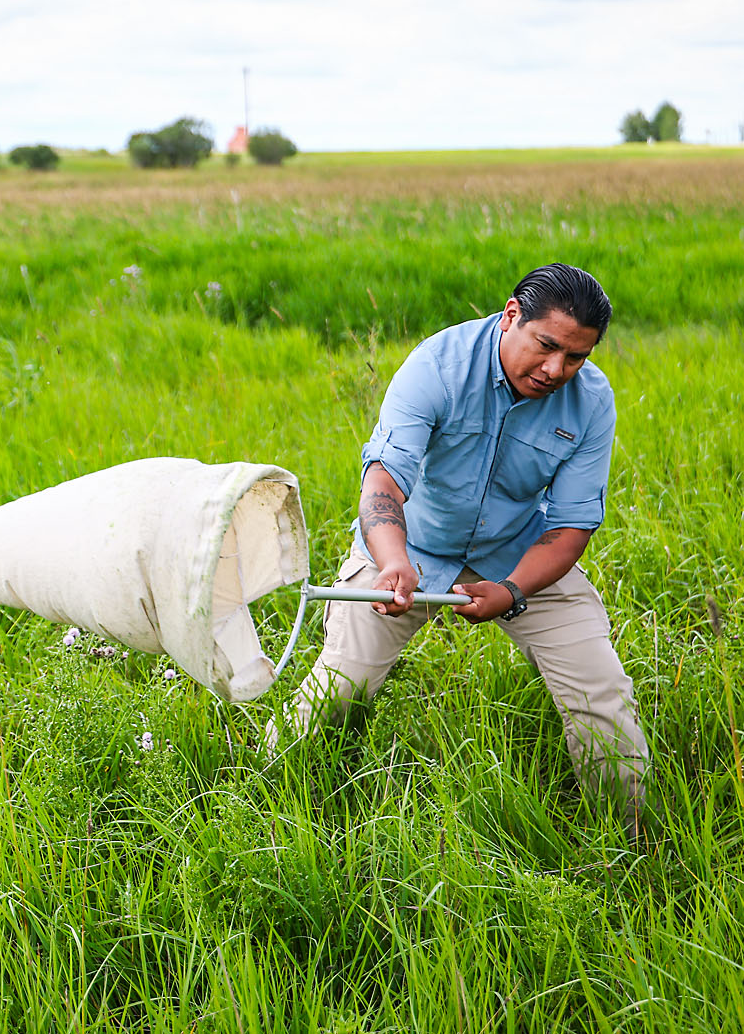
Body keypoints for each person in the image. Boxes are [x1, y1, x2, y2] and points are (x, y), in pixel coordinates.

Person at [264, 263, 649, 832]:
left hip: (518, 553)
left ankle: (630, 842)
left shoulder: (590, 401)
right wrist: (393, 562)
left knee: (603, 695)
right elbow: (384, 483)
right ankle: (260, 794)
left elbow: (570, 526)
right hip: (408, 546)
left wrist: (513, 590)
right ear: (511, 316)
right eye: (546, 347)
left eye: (576, 357)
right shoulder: (437, 367)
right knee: (340, 688)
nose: (555, 370)